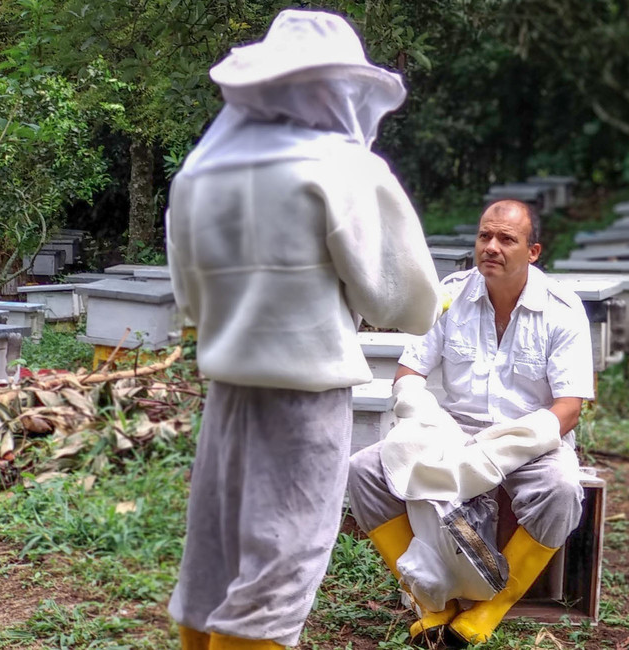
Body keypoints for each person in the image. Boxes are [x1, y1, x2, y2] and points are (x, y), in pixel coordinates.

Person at [164, 10, 443, 650]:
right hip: (304, 404)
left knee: (212, 563)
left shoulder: (203, 171)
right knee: (280, 570)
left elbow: (190, 301)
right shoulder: (343, 169)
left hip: (227, 393)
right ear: (337, 87)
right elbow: (405, 299)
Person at [348, 199, 595, 646]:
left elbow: (569, 408)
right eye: (485, 236)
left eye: (506, 239)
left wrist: (506, 449)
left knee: (560, 488)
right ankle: (433, 605)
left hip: (531, 439)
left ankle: (488, 611)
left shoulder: (563, 309)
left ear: (533, 251)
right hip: (454, 432)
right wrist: (424, 423)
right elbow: (409, 374)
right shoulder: (452, 293)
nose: (492, 247)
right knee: (364, 470)